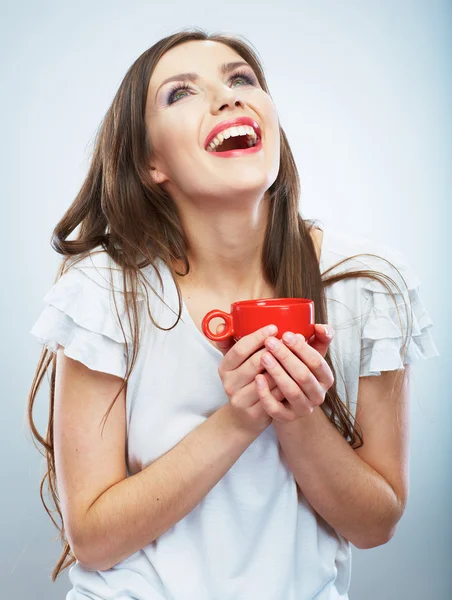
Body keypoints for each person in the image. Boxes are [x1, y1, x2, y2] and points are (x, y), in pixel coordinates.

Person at [27, 28, 440, 600]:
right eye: (181, 93)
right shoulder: (107, 290)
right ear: (151, 162)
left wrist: (296, 415)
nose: (227, 97)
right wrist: (239, 418)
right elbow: (94, 540)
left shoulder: (368, 285)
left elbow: (375, 524)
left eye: (240, 78)